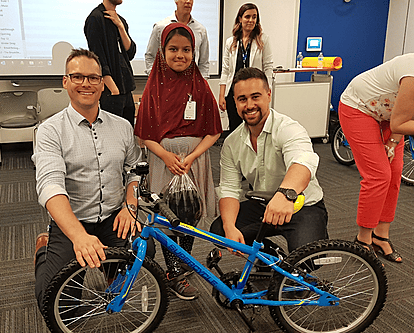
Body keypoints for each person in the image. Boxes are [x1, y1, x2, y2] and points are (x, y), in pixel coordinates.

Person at [32, 48, 154, 312]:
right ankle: (44, 249)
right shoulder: (50, 131)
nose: (85, 84)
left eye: (93, 78)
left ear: (102, 84)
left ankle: (111, 269)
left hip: (113, 216)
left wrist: (129, 206)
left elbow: (135, 170)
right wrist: (79, 237)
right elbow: (49, 185)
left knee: (147, 249)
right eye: (77, 77)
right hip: (73, 223)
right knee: (54, 304)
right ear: (65, 81)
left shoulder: (122, 127)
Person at [135, 23, 222, 300]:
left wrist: (193, 157)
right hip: (165, 161)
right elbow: (143, 135)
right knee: (167, 216)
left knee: (190, 213)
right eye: (173, 49)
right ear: (163, 51)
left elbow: (214, 131)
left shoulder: (200, 84)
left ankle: (183, 261)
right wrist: (165, 156)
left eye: (186, 50)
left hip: (194, 162)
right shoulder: (153, 87)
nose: (180, 55)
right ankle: (173, 272)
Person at [210, 67, 328, 256]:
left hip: (301, 205)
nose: (249, 105)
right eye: (242, 99)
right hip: (263, 204)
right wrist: (230, 227)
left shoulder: (289, 128)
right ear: (235, 102)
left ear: (268, 95)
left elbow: (303, 163)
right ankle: (274, 260)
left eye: (255, 97)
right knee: (219, 232)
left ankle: (292, 265)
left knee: (308, 258)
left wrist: (285, 195)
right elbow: (229, 189)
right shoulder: (232, 143)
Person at [339, 54, 414, 263]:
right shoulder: (412, 74)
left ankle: (381, 236)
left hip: (388, 114)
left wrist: (392, 143)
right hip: (359, 108)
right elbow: (401, 122)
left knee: (395, 172)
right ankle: (363, 240)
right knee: (379, 175)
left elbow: (406, 117)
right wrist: (395, 134)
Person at [218, 3, 273, 135]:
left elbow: (268, 67)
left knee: (254, 127)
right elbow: (225, 70)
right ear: (240, 19)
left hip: (255, 91)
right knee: (235, 129)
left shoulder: (263, 40)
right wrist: (222, 95)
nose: (251, 20)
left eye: (254, 17)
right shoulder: (230, 42)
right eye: (247, 16)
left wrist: (267, 90)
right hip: (235, 92)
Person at [84, 0, 137, 125]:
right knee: (112, 134)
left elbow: (130, 53)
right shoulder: (95, 18)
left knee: (128, 132)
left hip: (126, 88)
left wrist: (120, 27)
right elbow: (98, 57)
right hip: (111, 90)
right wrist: (113, 90)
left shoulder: (121, 21)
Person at [145, 0, 210, 79]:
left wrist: (200, 85)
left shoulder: (201, 30)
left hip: (191, 85)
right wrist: (156, 79)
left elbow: (203, 63)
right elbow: (150, 56)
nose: (188, 1)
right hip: (165, 84)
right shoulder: (160, 27)